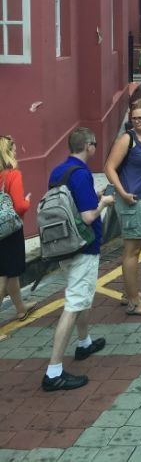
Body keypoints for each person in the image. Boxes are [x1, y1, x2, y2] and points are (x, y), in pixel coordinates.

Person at [42, 128, 115, 391]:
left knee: (81, 294)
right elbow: (88, 217)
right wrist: (104, 202)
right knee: (73, 304)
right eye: (94, 144)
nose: (95, 147)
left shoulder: (58, 171)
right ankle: (53, 372)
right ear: (87, 146)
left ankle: (84, 343)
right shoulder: (82, 174)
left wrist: (93, 197)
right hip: (84, 245)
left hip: (63, 244)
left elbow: (69, 205)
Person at [104, 97, 141, 316]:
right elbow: (109, 167)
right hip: (132, 199)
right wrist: (122, 193)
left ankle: (130, 292)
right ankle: (134, 302)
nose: (136, 121)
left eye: (140, 118)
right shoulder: (127, 139)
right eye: (134, 118)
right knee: (132, 249)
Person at [0, 135, 37, 341]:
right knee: (3, 275)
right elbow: (20, 206)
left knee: (10, 272)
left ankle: (21, 308)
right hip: (10, 230)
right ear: (7, 152)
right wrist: (28, 201)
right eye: (13, 149)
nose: (16, 152)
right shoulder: (13, 175)